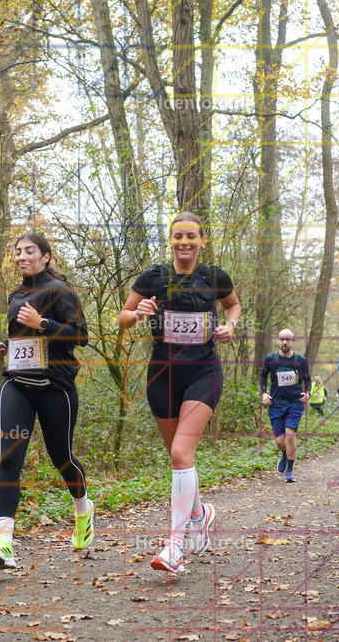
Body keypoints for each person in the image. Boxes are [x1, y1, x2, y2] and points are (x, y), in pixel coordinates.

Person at [118, 212, 241, 574]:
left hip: (203, 371)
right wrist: (137, 312)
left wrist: (230, 324)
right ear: (170, 241)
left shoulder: (214, 276)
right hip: (162, 376)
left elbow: (232, 304)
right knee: (178, 458)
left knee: (180, 453)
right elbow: (122, 319)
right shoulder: (153, 277)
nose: (184, 243)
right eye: (177, 237)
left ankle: (175, 545)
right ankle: (200, 514)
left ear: (202, 241)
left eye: (191, 237)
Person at [0, 233, 93, 570]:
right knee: (9, 459)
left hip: (55, 386)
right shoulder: (16, 294)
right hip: (17, 383)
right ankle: (4, 543)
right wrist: (5, 345)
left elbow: (81, 336)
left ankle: (83, 508)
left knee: (63, 460)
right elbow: (22, 337)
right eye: (16, 252)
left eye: (29, 251)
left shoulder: (61, 291)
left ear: (45, 257)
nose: (21, 256)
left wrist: (43, 323)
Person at [260, 330, 311, 483]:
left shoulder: (300, 360)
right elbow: (263, 376)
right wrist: (263, 393)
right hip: (276, 404)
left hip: (295, 403)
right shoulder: (271, 359)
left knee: (290, 434)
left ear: (293, 341)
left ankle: (289, 470)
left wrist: (307, 392)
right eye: (282, 339)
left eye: (288, 340)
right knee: (281, 442)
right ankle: (285, 454)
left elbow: (307, 378)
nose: (284, 343)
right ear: (278, 341)